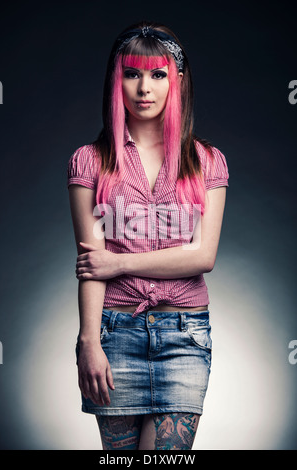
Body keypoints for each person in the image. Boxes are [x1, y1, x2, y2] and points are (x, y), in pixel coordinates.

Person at [67, 20, 229, 451]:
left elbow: (202, 256)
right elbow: (90, 265)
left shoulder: (207, 161)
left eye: (157, 74)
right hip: (114, 334)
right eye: (132, 73)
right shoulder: (89, 161)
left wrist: (118, 261)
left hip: (184, 334)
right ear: (116, 79)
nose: (144, 87)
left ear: (177, 82)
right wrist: (87, 343)